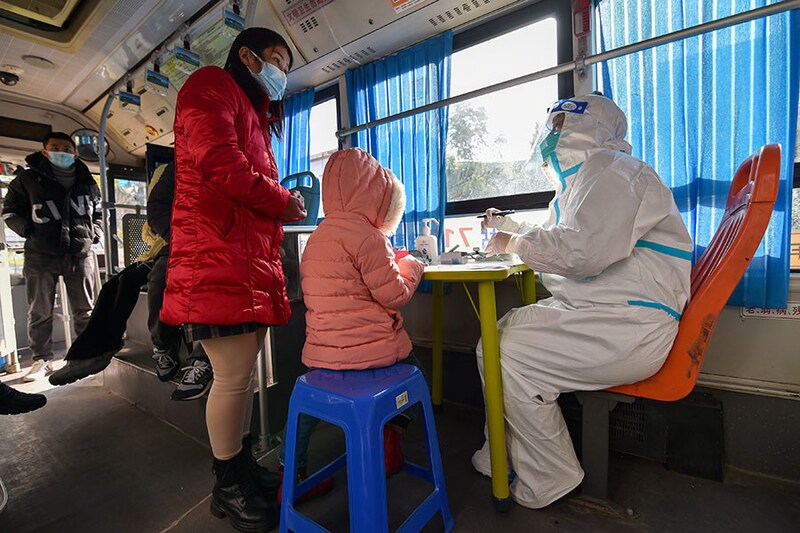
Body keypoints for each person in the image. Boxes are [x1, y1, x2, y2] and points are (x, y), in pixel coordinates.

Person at [476, 94, 692, 509]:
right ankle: (501, 452)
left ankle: (549, 473)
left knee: (508, 352)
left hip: (628, 325)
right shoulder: (588, 182)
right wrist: (510, 227)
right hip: (607, 313)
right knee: (498, 330)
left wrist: (513, 241)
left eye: (558, 125)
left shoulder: (617, 172)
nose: (549, 136)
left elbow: (580, 252)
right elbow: (566, 236)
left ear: (586, 126)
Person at [161, 28, 307, 532]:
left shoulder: (252, 115)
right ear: (245, 56)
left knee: (239, 378)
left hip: (240, 261)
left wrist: (277, 200)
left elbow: (244, 175)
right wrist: (283, 201)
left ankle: (239, 469)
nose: (281, 72)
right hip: (217, 258)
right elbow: (221, 165)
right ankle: (225, 483)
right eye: (275, 60)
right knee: (230, 379)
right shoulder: (210, 86)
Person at [279, 148, 425, 498]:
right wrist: (412, 265)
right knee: (417, 375)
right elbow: (394, 294)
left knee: (305, 417)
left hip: (321, 359)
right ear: (377, 196)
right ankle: (389, 440)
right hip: (374, 357)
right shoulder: (371, 238)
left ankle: (291, 476)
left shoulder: (315, 239)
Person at [48, 163, 213, 401]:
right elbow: (153, 220)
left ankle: (199, 356)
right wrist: (174, 236)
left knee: (166, 281)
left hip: (207, 246)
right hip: (171, 245)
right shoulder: (172, 170)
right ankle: (94, 352)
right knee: (119, 283)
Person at [2, 132, 101, 382]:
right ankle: (42, 359)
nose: (62, 152)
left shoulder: (87, 180)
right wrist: (28, 231)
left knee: (85, 309)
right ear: (44, 151)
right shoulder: (27, 179)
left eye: (66, 148)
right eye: (56, 147)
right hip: (40, 253)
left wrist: (95, 234)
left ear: (75, 153)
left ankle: (85, 354)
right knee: (40, 310)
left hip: (80, 251)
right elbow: (10, 211)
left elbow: (97, 212)